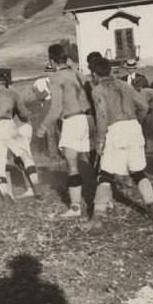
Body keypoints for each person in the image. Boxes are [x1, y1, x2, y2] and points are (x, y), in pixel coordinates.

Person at [88, 56, 153, 220]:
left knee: (105, 174)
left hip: (115, 129)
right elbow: (144, 106)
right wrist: (136, 121)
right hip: (133, 127)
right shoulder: (125, 85)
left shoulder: (98, 89)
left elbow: (102, 115)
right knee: (137, 171)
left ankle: (97, 217)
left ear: (94, 74)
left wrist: (100, 141)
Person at [38, 43, 96, 219]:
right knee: (89, 162)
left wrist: (43, 126)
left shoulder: (56, 77)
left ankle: (76, 207)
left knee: (72, 166)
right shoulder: (77, 73)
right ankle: (100, 200)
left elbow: (56, 108)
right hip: (88, 118)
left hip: (72, 120)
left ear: (52, 60)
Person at [0, 71, 40, 200]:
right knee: (25, 157)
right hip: (8, 124)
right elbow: (24, 115)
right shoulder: (12, 93)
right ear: (6, 83)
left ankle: (5, 193)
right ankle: (35, 185)